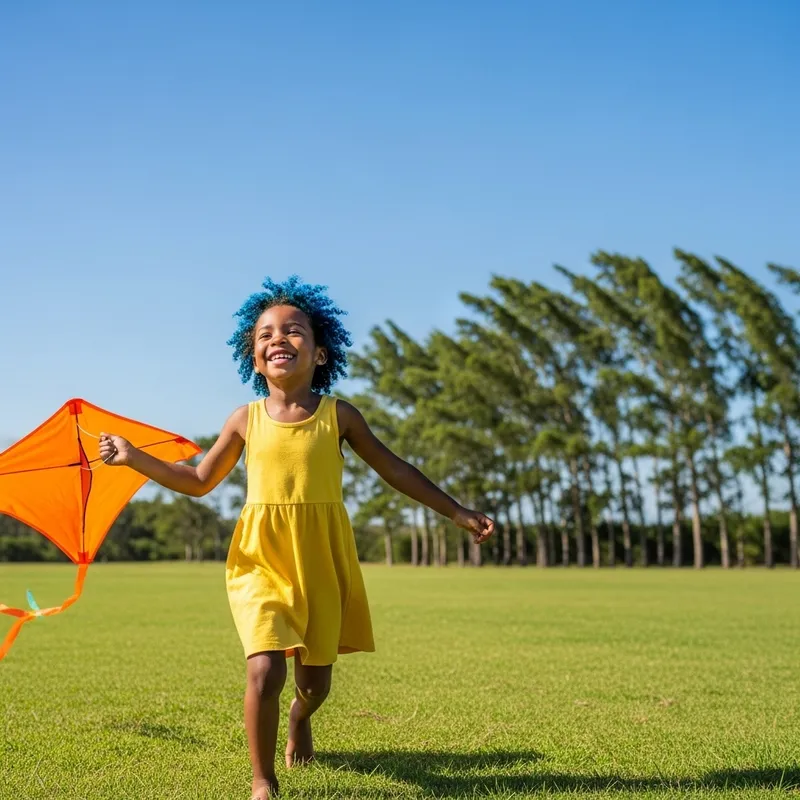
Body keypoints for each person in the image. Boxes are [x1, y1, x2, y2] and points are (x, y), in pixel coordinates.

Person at [98, 276, 495, 799]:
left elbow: (396, 470)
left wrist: (456, 511)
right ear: (255, 360)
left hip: (321, 558)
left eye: (293, 330)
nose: (278, 339)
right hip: (260, 558)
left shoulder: (340, 416)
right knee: (263, 668)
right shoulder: (244, 420)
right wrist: (134, 458)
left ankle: (300, 718)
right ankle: (263, 780)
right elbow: (196, 481)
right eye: (265, 335)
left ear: (321, 351)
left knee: (315, 686)